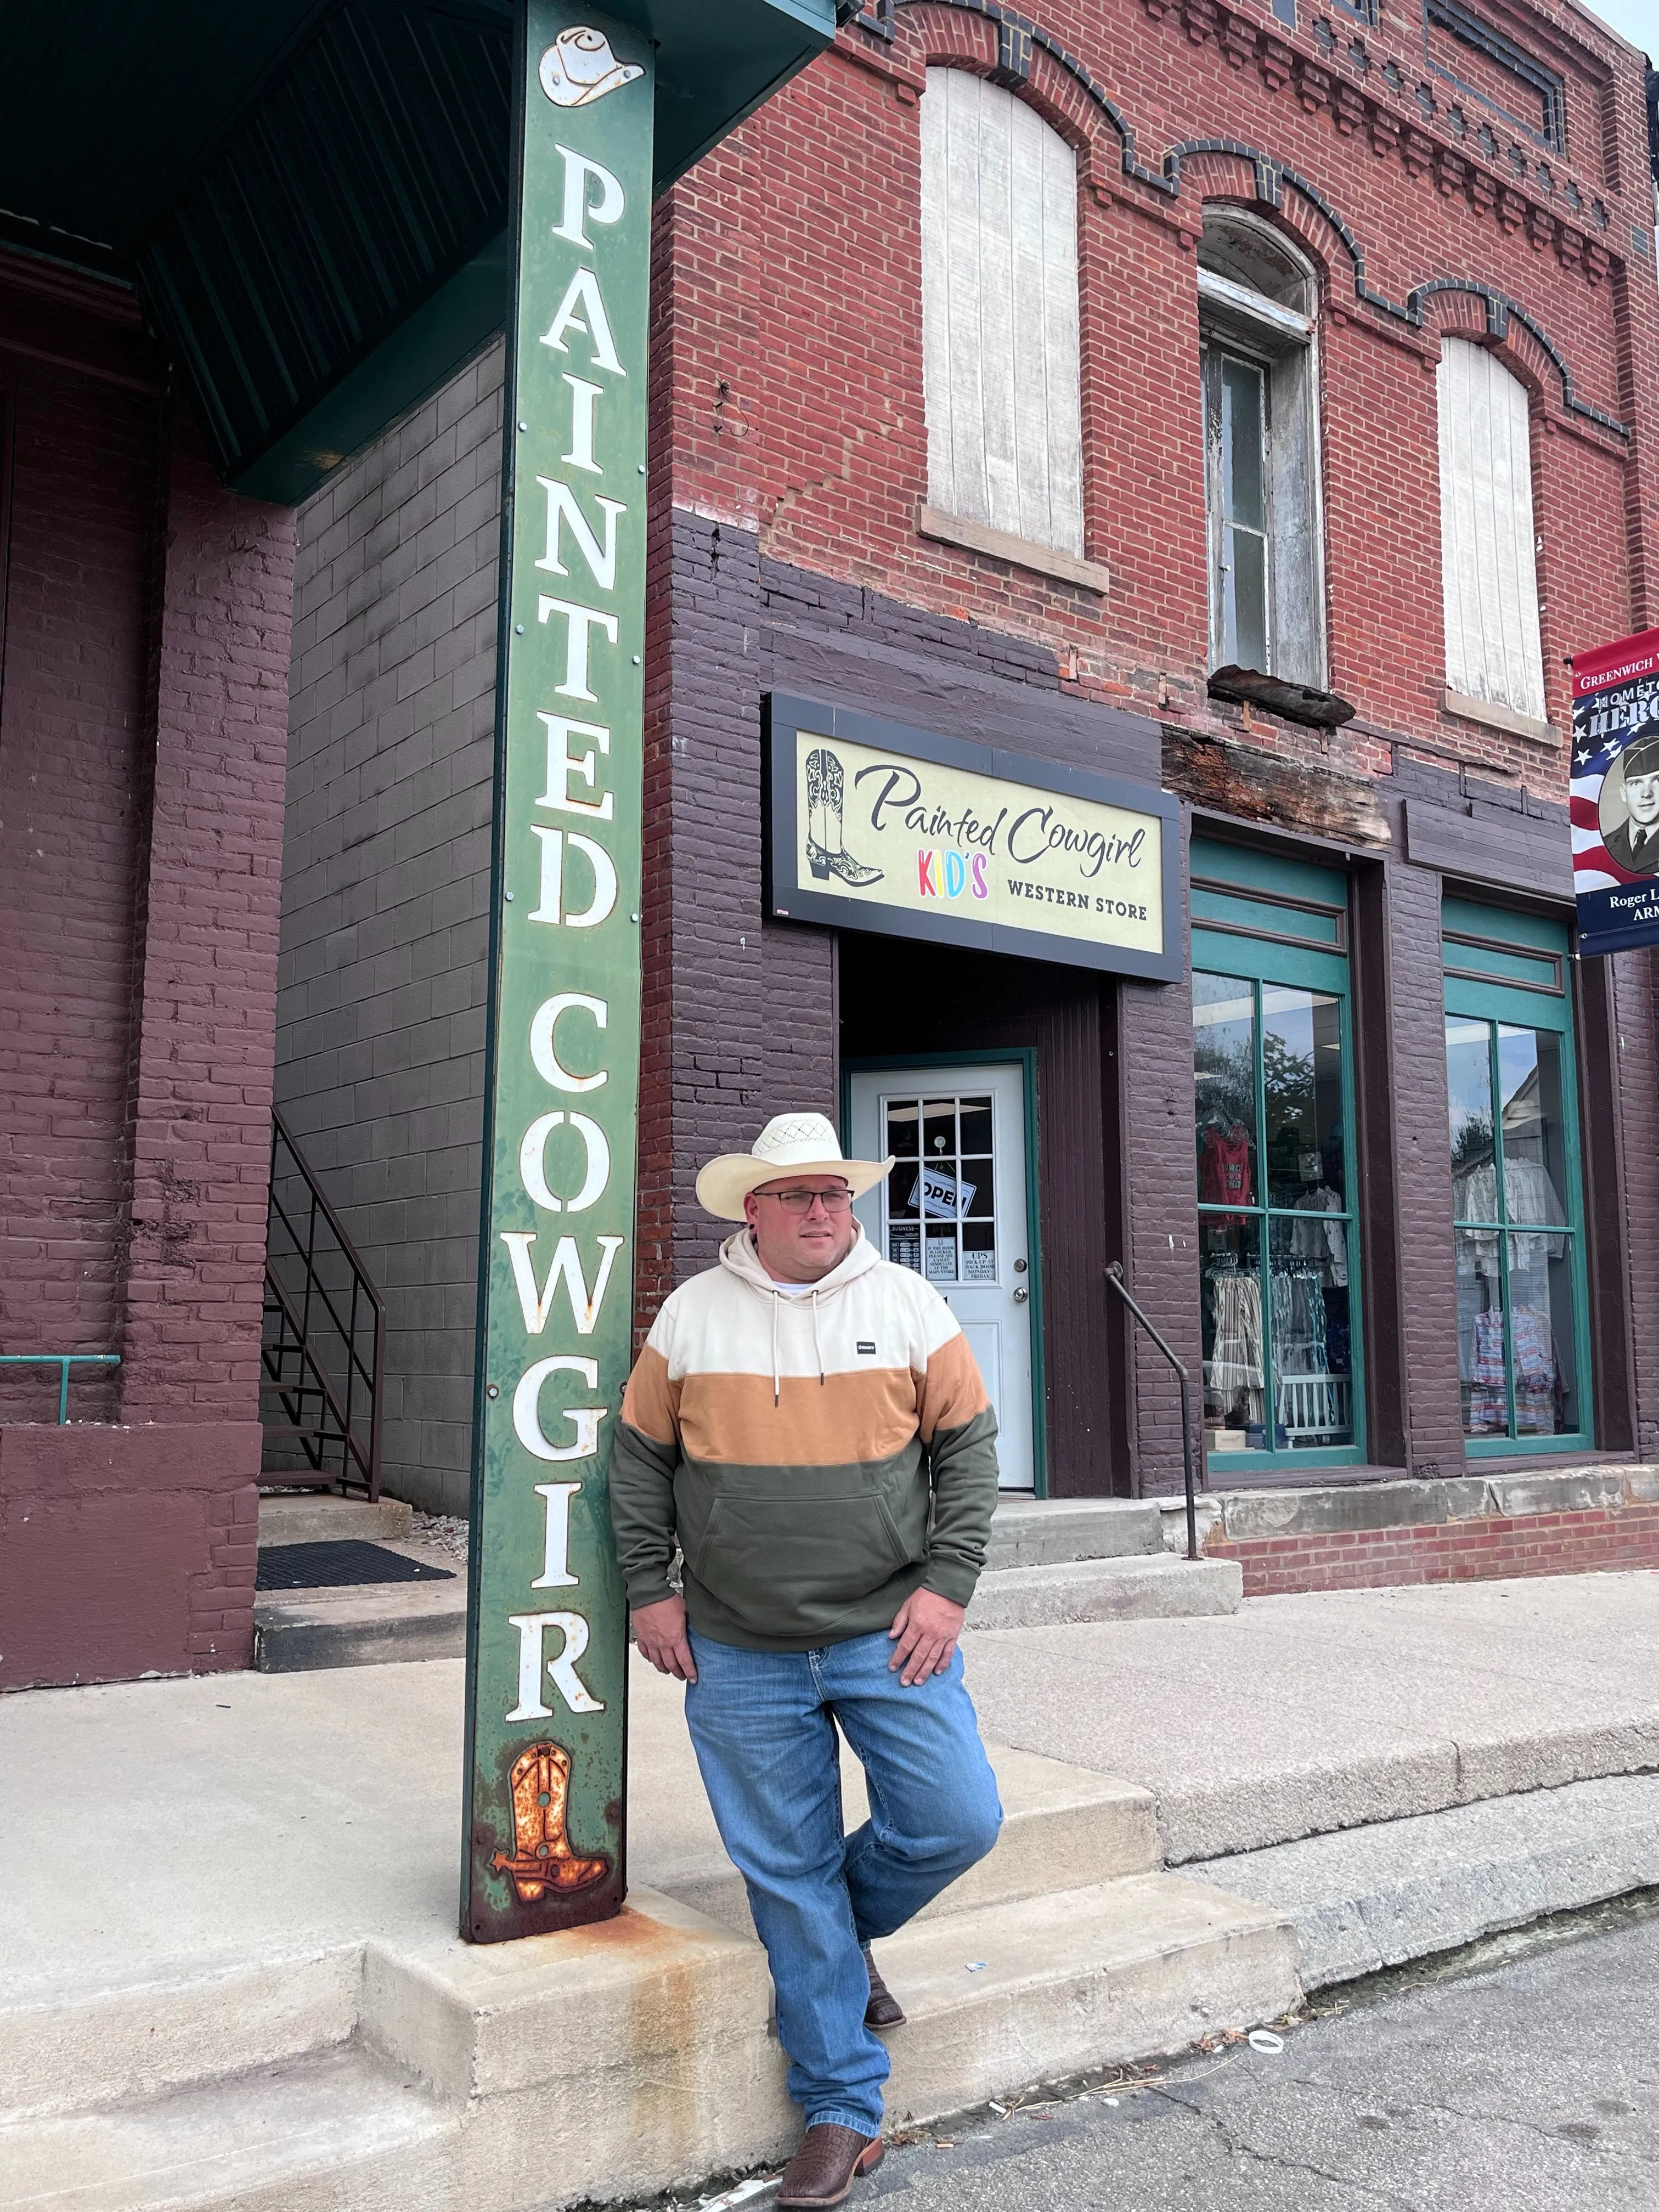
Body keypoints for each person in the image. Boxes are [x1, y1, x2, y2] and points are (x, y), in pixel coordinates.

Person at [608, 1111, 1003, 2209]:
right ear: (755, 1209)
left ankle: (835, 1936)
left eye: (835, 1193)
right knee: (784, 1871)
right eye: (798, 1195)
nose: (823, 1211)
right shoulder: (691, 1316)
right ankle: (841, 2108)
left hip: (890, 1632)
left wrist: (948, 1586)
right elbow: (637, 1463)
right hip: (737, 1647)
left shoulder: (908, 1303)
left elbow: (969, 1449)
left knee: (957, 1817)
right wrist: (650, 1589)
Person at [1602, 725, 1659, 875]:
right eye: (1636, 783)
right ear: (1624, 792)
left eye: (1657, 781)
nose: (1646, 793)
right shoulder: (1605, 845)